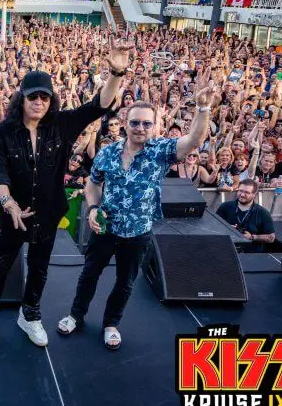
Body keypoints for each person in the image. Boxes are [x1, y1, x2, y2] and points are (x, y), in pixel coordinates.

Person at [0, 41, 130, 351]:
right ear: (21, 99)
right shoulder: (3, 131)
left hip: (48, 213)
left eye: (45, 96)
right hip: (12, 215)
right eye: (33, 96)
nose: (39, 102)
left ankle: (29, 315)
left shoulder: (61, 125)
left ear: (51, 99)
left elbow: (99, 105)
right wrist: (8, 203)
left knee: (40, 269)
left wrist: (117, 72)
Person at [57, 77, 214, 351]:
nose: (140, 128)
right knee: (88, 275)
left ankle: (111, 324)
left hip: (138, 232)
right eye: (134, 122)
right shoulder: (108, 153)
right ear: (125, 123)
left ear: (154, 126)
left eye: (146, 123)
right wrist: (93, 208)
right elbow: (93, 183)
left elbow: (194, 140)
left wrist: (202, 109)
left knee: (125, 283)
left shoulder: (160, 151)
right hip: (105, 228)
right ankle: (76, 315)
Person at [216, 178, 276, 248]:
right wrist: (227, 229)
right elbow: (214, 227)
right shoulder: (225, 206)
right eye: (240, 191)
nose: (242, 195)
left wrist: (252, 237)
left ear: (254, 195)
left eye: (247, 192)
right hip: (227, 249)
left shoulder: (263, 213)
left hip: (251, 254)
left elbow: (271, 238)